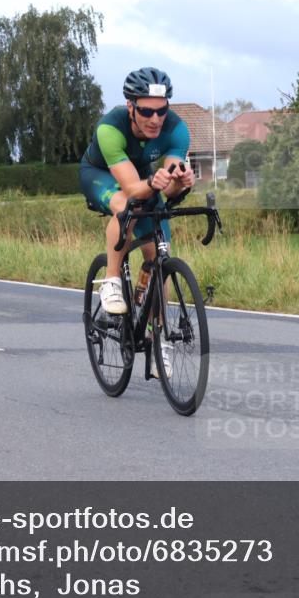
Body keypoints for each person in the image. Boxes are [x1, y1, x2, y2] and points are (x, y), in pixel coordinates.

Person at [79, 67, 195, 378]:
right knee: (127, 205)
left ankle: (159, 345)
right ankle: (112, 280)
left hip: (142, 179)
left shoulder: (178, 130)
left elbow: (168, 185)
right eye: (146, 111)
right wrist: (156, 184)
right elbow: (132, 189)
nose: (155, 119)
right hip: (102, 177)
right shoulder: (111, 129)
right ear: (131, 106)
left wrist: (181, 181)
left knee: (160, 255)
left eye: (161, 111)